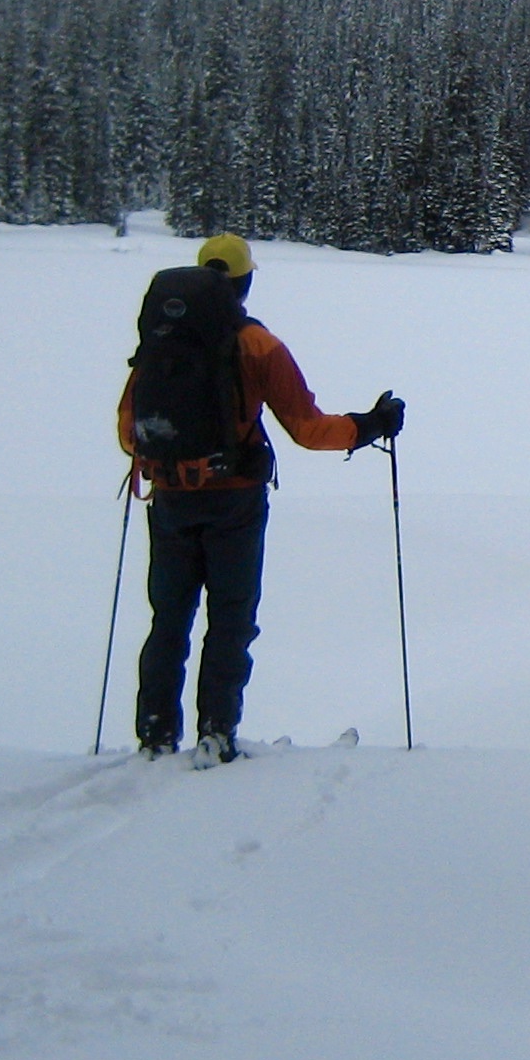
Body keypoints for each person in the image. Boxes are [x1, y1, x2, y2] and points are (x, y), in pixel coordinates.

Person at [118, 234, 404, 764]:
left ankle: (155, 737)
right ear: (245, 282)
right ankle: (216, 734)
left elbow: (128, 431)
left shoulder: (160, 338)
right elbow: (308, 428)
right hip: (235, 502)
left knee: (168, 619)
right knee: (230, 619)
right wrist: (372, 425)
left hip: (170, 497)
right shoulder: (257, 345)